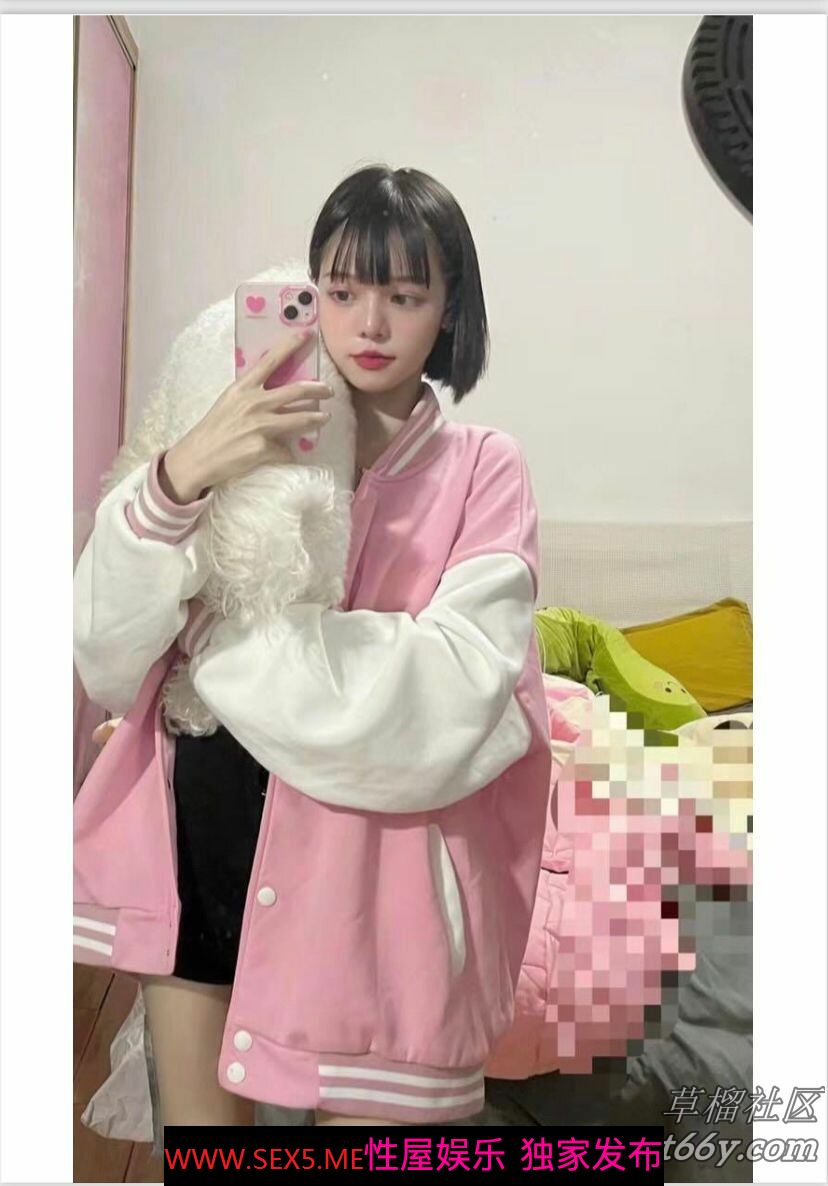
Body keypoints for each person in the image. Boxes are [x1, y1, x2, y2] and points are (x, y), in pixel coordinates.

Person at [74, 164, 552, 1128]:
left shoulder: (482, 469)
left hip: (377, 890)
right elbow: (104, 652)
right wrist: (182, 474)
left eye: (404, 295)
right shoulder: (230, 427)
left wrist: (220, 645)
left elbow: (449, 695)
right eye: (340, 291)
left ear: (448, 310)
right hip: (203, 840)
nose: (368, 324)